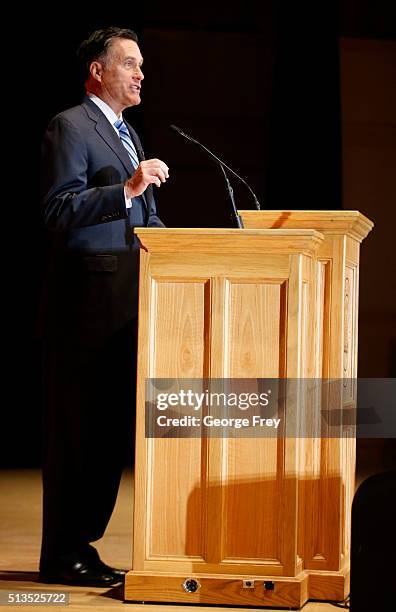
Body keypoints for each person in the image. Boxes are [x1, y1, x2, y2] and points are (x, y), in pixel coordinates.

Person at [39, 27, 169, 587]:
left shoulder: (128, 134)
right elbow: (57, 210)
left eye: (142, 66)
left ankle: (82, 546)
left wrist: (182, 245)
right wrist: (126, 191)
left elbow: (146, 220)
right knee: (79, 433)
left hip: (128, 303)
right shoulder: (70, 125)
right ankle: (61, 553)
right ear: (98, 70)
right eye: (130, 64)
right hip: (87, 308)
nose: (141, 74)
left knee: (108, 433)